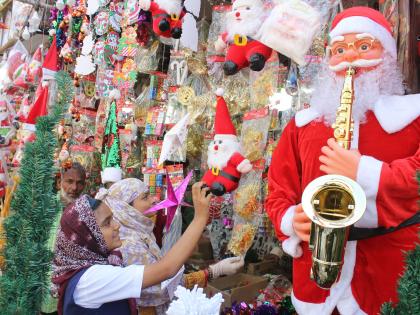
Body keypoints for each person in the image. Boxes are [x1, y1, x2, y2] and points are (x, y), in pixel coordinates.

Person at [265, 7, 419, 315]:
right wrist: (290, 220)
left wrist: (368, 173)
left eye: (364, 47)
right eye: (339, 50)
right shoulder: (301, 125)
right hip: (316, 278)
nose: (350, 58)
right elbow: (278, 191)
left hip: (388, 273)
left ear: (386, 54)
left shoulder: (413, 116)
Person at [52, 181, 212, 315]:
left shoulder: (97, 264)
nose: (116, 226)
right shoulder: (91, 279)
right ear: (87, 235)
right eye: (107, 223)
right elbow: (166, 270)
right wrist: (200, 218)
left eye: (113, 219)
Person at [97, 178, 244, 315]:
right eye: (145, 197)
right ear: (126, 208)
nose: (154, 199)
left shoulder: (139, 233)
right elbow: (162, 285)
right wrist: (213, 272)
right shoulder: (127, 244)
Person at [41, 162, 87, 315]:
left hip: (72, 285)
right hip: (42, 282)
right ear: (59, 182)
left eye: (79, 183)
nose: (74, 188)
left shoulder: (88, 211)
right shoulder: (44, 207)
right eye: (69, 181)